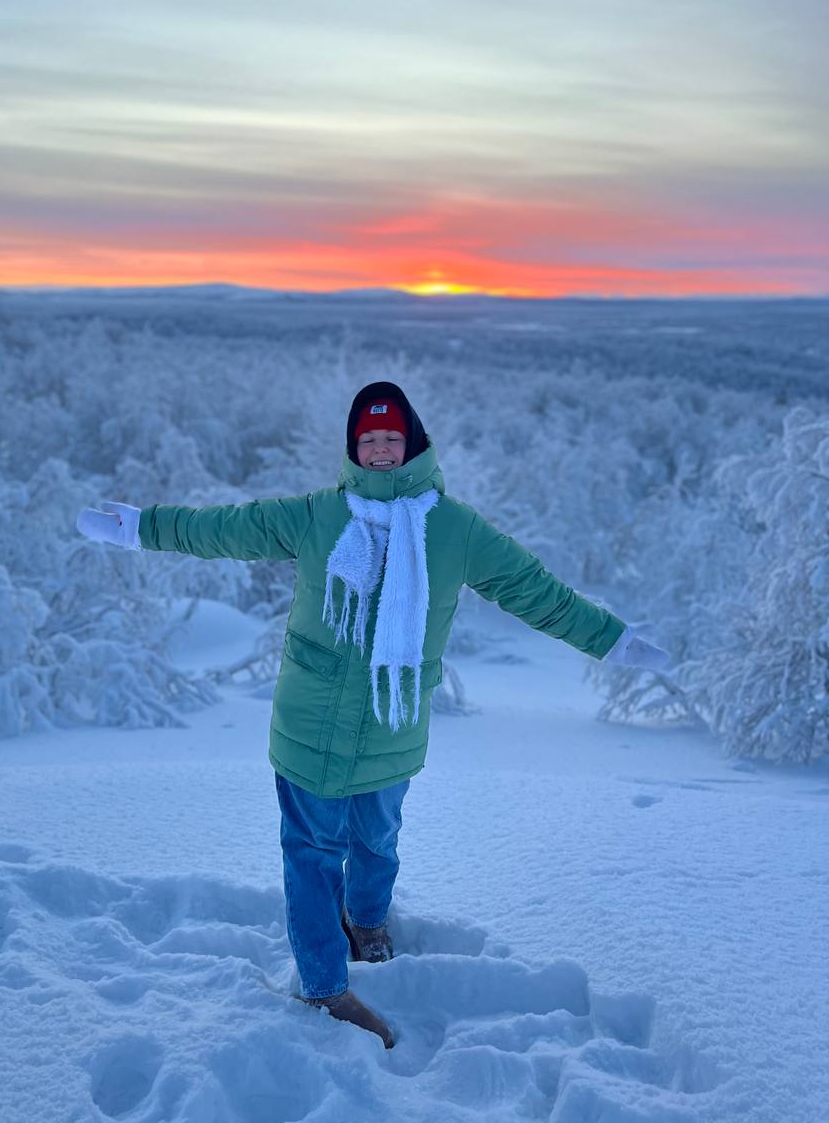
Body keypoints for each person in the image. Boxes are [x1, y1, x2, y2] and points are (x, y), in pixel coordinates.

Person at [77, 380, 668, 1049]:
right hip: (308, 725)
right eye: (369, 440)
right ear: (353, 450)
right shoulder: (318, 515)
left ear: (412, 446)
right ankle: (326, 985)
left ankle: (368, 926)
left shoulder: (454, 528)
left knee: (377, 844)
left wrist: (611, 638)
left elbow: (535, 590)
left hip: (391, 726)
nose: (381, 450)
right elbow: (223, 529)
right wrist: (139, 526)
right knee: (310, 857)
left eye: (391, 439)